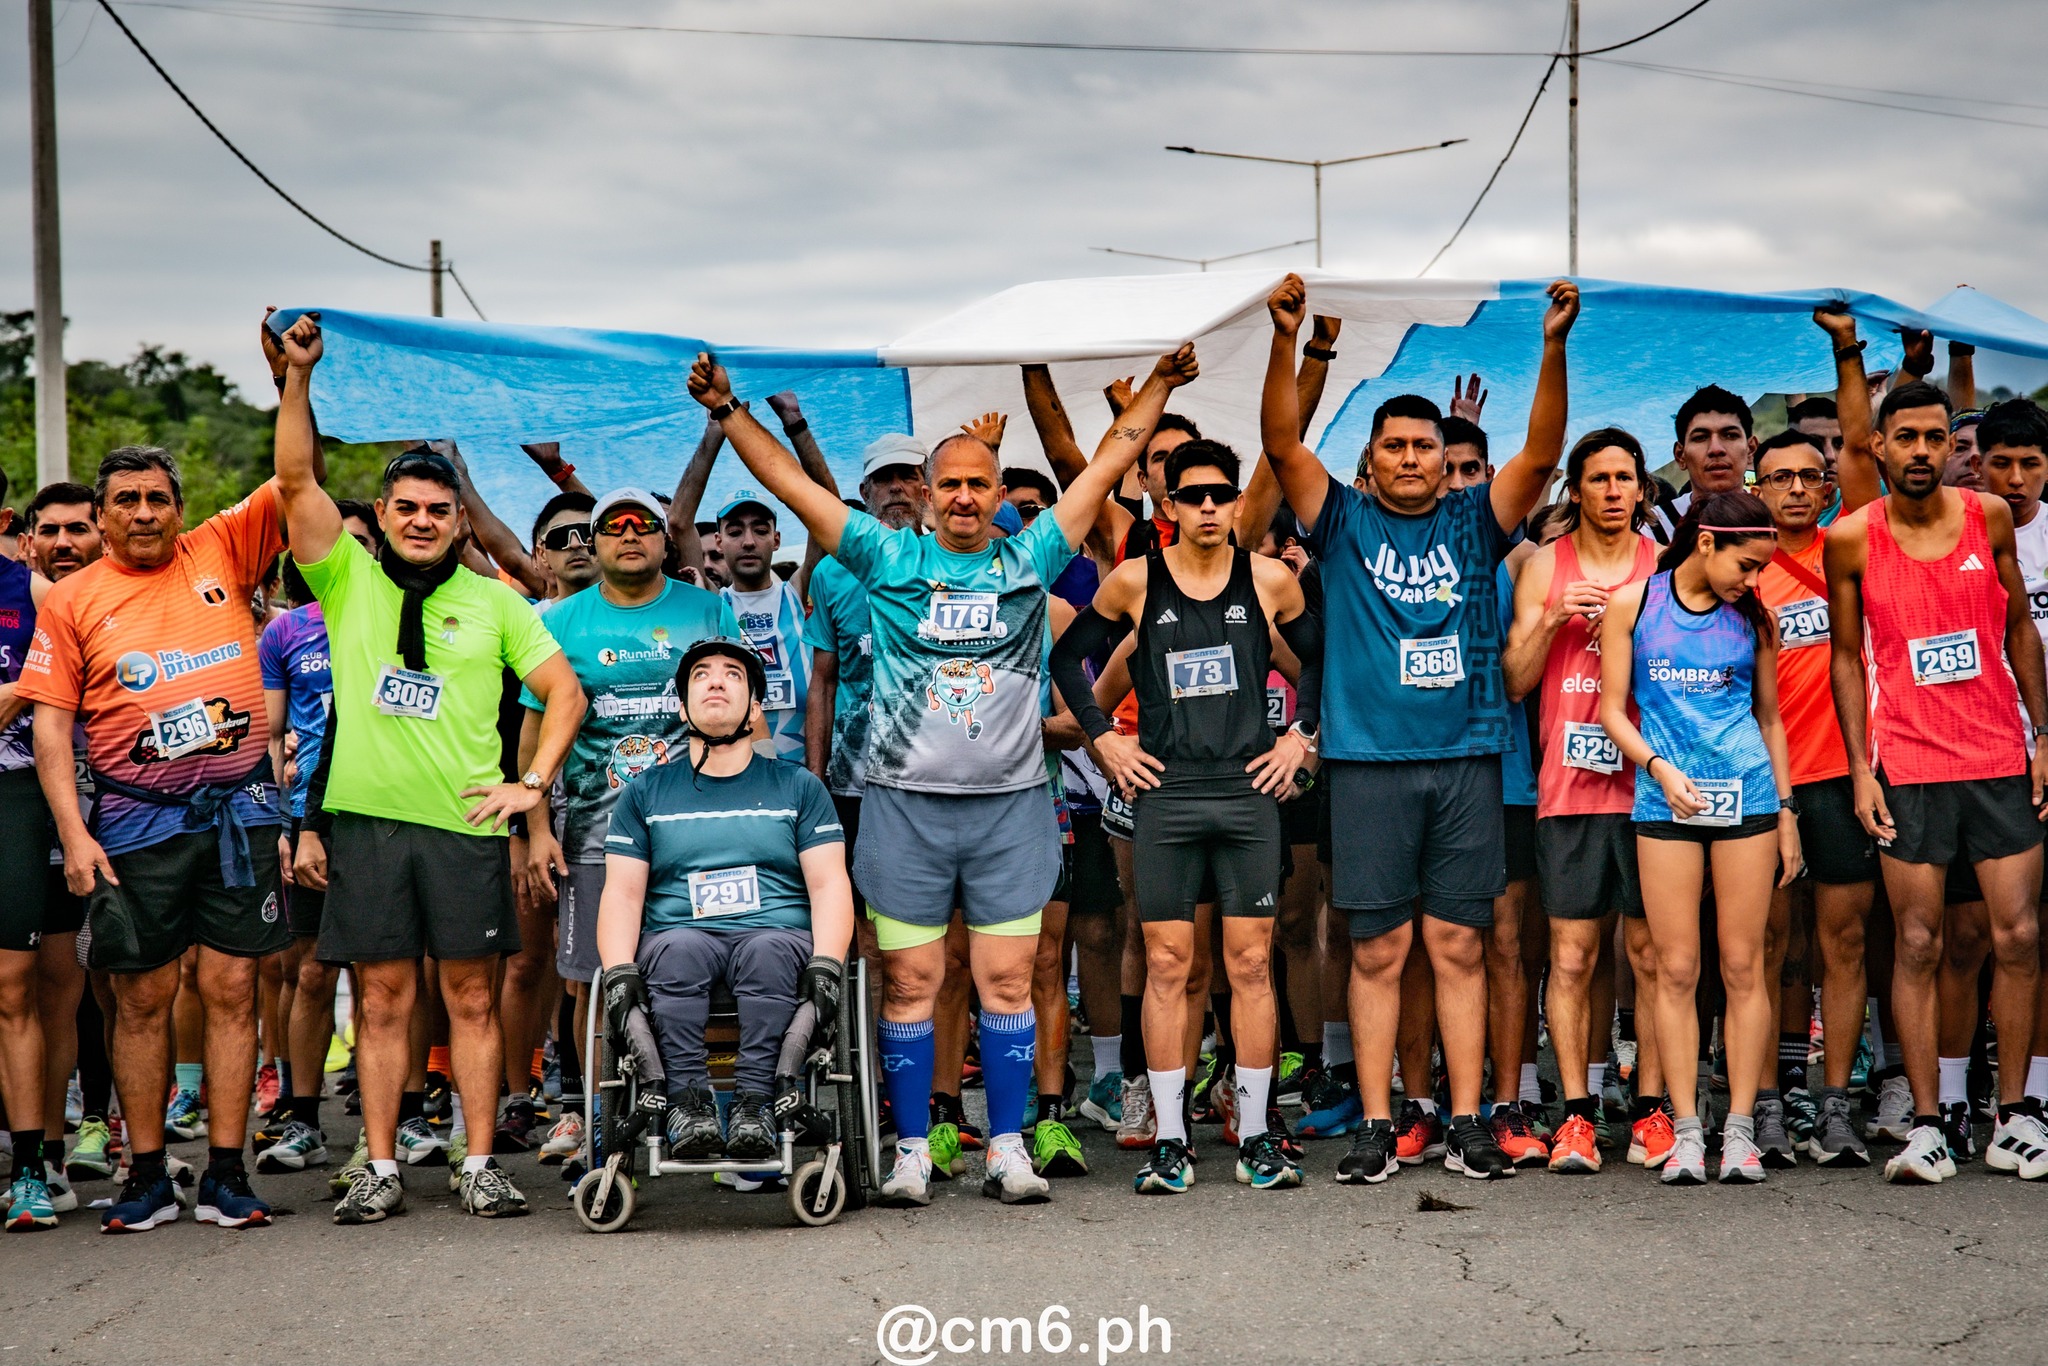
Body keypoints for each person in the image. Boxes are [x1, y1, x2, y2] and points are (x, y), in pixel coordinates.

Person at [687, 340, 1197, 1207]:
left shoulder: (1031, 558)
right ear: (926, 495)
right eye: (949, 484)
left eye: (979, 484)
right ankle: (915, 1150)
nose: (964, 496)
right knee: (912, 984)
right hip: (904, 808)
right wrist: (729, 413)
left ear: (1000, 498)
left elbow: (1114, 457)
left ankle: (1006, 1146)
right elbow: (793, 488)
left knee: (1008, 982)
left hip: (1011, 808)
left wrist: (1160, 385)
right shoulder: (886, 559)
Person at [1259, 272, 1580, 1184]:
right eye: (1393, 446)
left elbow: (1542, 451)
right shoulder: (1342, 521)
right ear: (1369, 461)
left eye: (1424, 446)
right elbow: (1280, 443)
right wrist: (1285, 340)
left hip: (1467, 761)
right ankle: (1377, 1121)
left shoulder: (1477, 521)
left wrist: (1552, 344)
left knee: (1459, 946)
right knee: (1378, 950)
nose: (1409, 458)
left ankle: (1468, 1121)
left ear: (1446, 459)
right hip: (1367, 766)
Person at [269, 312, 587, 1224]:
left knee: (471, 998)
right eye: (405, 508)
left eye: (438, 511)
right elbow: (295, 479)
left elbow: (564, 695)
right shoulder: (346, 579)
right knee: (381, 1000)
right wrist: (297, 381)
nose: (420, 521)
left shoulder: (496, 603)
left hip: (464, 825)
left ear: (457, 521)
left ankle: (478, 1163)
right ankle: (379, 1165)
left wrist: (530, 787)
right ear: (382, 515)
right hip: (368, 826)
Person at [20, 447, 295, 1232]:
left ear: (180, 507)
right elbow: (51, 728)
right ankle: (145, 1175)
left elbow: (293, 476)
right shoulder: (71, 600)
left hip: (239, 812)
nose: (144, 512)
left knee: (233, 990)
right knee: (141, 997)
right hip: (135, 823)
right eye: (127, 500)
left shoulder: (223, 548)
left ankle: (228, 1173)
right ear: (103, 516)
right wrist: (74, 835)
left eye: (157, 498)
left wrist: (296, 388)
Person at [1051, 438, 1319, 1194]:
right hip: (1166, 797)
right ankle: (1171, 1141)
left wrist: (1300, 737)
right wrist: (1106, 739)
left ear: (1237, 502)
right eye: (1192, 495)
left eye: (1220, 494)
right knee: (1167, 963)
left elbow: (1323, 659)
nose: (1207, 506)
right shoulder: (1136, 581)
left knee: (1250, 965)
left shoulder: (1269, 580)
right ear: (1167, 504)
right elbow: (1068, 660)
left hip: (1246, 793)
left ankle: (1258, 1135)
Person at [1826, 378, 2048, 1184]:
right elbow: (1845, 657)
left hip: (1998, 758)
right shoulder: (1852, 538)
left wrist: (2043, 734)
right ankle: (1927, 1126)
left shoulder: (1989, 518)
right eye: (1906, 438)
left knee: (2017, 936)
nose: (1922, 451)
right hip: (1909, 766)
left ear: (1952, 446)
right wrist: (1861, 767)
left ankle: (2016, 1117)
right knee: (1918, 941)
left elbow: (2018, 625)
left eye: (1935, 438)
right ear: (1878, 447)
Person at [514, 486, 736, 1159]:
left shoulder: (706, 609)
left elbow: (739, 713)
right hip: (593, 837)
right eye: (614, 525)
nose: (630, 533)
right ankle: (596, 1123)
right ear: (597, 542)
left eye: (644, 523)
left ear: (666, 539)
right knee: (592, 983)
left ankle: (706, 1114)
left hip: (697, 837)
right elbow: (533, 739)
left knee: (700, 977)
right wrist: (536, 830)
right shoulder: (559, 622)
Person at [1597, 491, 1801, 1184]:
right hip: (1666, 801)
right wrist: (1659, 767)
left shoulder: (1756, 618)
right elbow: (1613, 711)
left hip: (1748, 797)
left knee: (1743, 967)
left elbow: (1769, 719)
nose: (1754, 579)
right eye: (1747, 565)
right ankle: (1686, 1131)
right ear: (1706, 542)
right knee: (1676, 968)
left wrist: (1787, 811)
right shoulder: (1634, 604)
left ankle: (1738, 1131)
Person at [593, 637, 853, 1161]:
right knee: (679, 949)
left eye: (733, 674)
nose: (716, 681)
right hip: (679, 936)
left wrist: (827, 962)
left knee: (767, 950)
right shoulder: (645, 792)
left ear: (755, 708)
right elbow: (621, 892)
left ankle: (757, 1101)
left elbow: (829, 884)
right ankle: (688, 1104)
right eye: (701, 675)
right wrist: (618, 970)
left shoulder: (799, 787)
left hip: (775, 934)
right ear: (682, 706)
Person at [1504, 428, 1665, 1175]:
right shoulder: (1545, 565)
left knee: (1652, 956)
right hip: (1568, 788)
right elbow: (1514, 682)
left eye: (1623, 478)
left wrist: (1632, 628)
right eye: (1597, 478)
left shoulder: (1664, 564)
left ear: (1643, 489)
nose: (1611, 490)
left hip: (1649, 789)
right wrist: (1552, 618)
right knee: (1570, 955)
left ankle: (1653, 1109)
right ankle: (1575, 1115)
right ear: (1575, 490)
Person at [1751, 309, 1886, 1169]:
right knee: (1767, 948)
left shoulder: (1852, 544)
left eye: (1810, 475)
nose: (1798, 488)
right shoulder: (1735, 567)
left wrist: (1847, 352)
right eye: (1781, 478)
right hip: (1765, 783)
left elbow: (1866, 451)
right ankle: (1766, 1100)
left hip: (1844, 775)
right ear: (1758, 488)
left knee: (1842, 942)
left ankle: (1834, 1104)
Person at [1941, 396, 2048, 1178]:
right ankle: (1951, 1100)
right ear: (1977, 465)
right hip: (1978, 756)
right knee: (1966, 936)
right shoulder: (1957, 535)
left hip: (2042, 753)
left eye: (2030, 464)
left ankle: (2032, 1100)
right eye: (1999, 462)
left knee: (2034, 938)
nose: (2014, 478)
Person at [18, 484, 112, 1198]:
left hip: (118, 826)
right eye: (49, 531)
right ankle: (46, 1153)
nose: (63, 543)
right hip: (33, 827)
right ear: (29, 541)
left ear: (101, 534)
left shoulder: (119, 606)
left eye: (78, 529)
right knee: (37, 993)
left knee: (114, 991)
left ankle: (109, 1136)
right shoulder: (21, 609)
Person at [251, 557, 338, 1176]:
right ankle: (303, 1117)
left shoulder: (391, 612)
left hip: (384, 813)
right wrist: (284, 824)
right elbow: (268, 731)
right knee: (309, 972)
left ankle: (409, 1114)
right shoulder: (287, 630)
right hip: (308, 816)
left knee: (395, 975)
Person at [0, 516, 58, 1228]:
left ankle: (31, 1173)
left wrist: (17, 691)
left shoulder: (38, 594)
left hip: (13, 794)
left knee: (15, 987)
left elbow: (63, 688)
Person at [716, 491, 812, 764]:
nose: (748, 542)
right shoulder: (714, 604)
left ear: (776, 539)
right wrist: (709, 457)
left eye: (760, 531)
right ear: (719, 542)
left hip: (805, 772)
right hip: (740, 775)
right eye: (735, 532)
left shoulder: (796, 594)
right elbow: (680, 523)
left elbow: (822, 507)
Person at [1651, 387, 1757, 538]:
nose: (1716, 449)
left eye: (1730, 435)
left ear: (1751, 449)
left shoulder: (1775, 519)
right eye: (1700, 437)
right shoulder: (1651, 529)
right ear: (1680, 455)